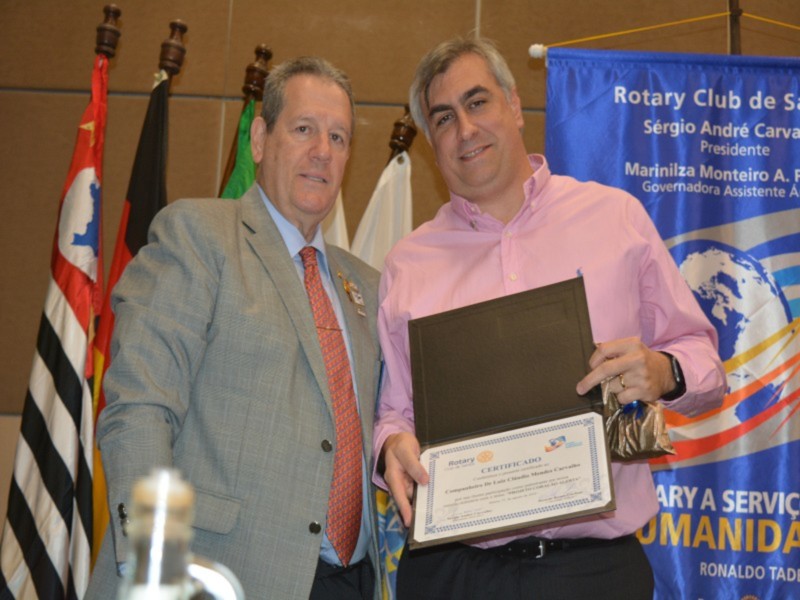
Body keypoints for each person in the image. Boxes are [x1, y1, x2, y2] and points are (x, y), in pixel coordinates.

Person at [373, 37, 726, 599]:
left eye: (478, 102)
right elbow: (394, 410)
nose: (465, 128)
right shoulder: (407, 263)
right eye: (443, 117)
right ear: (432, 142)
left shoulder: (615, 218)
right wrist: (391, 443)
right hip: (453, 573)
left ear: (515, 104)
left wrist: (664, 371)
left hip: (592, 573)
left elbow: (703, 359)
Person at [87, 56, 382, 600]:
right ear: (260, 139)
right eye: (304, 129)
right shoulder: (199, 235)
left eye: (338, 137)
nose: (323, 150)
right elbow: (140, 406)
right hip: (212, 575)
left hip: (351, 583)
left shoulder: (368, 285)